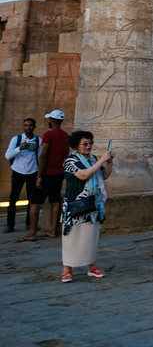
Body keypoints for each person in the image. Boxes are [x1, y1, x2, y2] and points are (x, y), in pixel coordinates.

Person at [60, 130, 114, 282]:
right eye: (85, 144)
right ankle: (67, 268)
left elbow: (103, 176)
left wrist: (109, 162)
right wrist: (101, 160)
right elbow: (84, 175)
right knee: (72, 236)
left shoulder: (93, 159)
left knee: (90, 236)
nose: (89, 146)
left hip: (93, 203)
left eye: (90, 143)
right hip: (75, 204)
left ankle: (92, 266)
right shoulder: (70, 161)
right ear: (76, 145)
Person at [24, 110, 69, 241]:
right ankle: (52, 231)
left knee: (34, 203)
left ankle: (32, 233)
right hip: (59, 173)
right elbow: (65, 154)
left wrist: (39, 176)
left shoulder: (48, 135)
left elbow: (43, 155)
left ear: (52, 121)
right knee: (55, 201)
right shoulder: (66, 136)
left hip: (46, 173)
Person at [5, 118, 40, 234]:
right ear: (23, 127)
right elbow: (8, 156)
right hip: (18, 171)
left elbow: (40, 157)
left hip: (32, 172)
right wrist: (20, 148)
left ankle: (29, 223)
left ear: (34, 126)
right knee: (13, 199)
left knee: (32, 199)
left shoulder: (38, 140)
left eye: (30, 125)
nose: (28, 127)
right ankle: (10, 225)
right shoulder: (16, 139)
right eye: (26, 125)